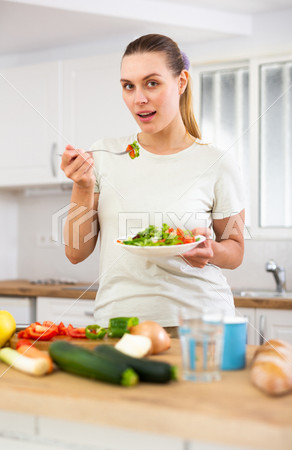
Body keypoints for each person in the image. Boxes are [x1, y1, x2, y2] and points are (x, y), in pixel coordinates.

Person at [61, 34, 245, 333]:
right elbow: (75, 253)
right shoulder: (105, 155)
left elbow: (235, 250)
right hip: (118, 322)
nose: (139, 99)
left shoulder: (217, 162)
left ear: (181, 82)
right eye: (128, 86)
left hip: (198, 325)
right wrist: (82, 186)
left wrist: (209, 249)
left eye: (152, 83)